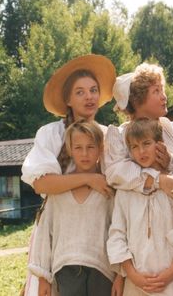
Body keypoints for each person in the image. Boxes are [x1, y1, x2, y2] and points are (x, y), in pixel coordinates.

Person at [21, 54, 122, 295]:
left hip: (100, 233)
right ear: (67, 99)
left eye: (93, 90)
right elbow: (41, 183)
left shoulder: (110, 136)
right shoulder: (52, 133)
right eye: (80, 92)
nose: (89, 96)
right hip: (62, 231)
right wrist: (89, 178)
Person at [104, 63, 173, 293]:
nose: (164, 96)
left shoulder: (167, 128)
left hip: (169, 219)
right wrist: (158, 180)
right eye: (156, 91)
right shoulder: (120, 135)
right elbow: (117, 174)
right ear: (137, 99)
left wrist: (169, 163)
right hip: (136, 221)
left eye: (162, 89)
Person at [29, 120, 115, 296]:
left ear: (100, 148)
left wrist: (121, 275)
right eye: (78, 148)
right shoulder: (59, 191)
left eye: (91, 147)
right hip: (66, 270)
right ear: (70, 150)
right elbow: (45, 233)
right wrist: (43, 277)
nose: (85, 153)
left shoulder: (108, 189)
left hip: (103, 271)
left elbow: (119, 231)